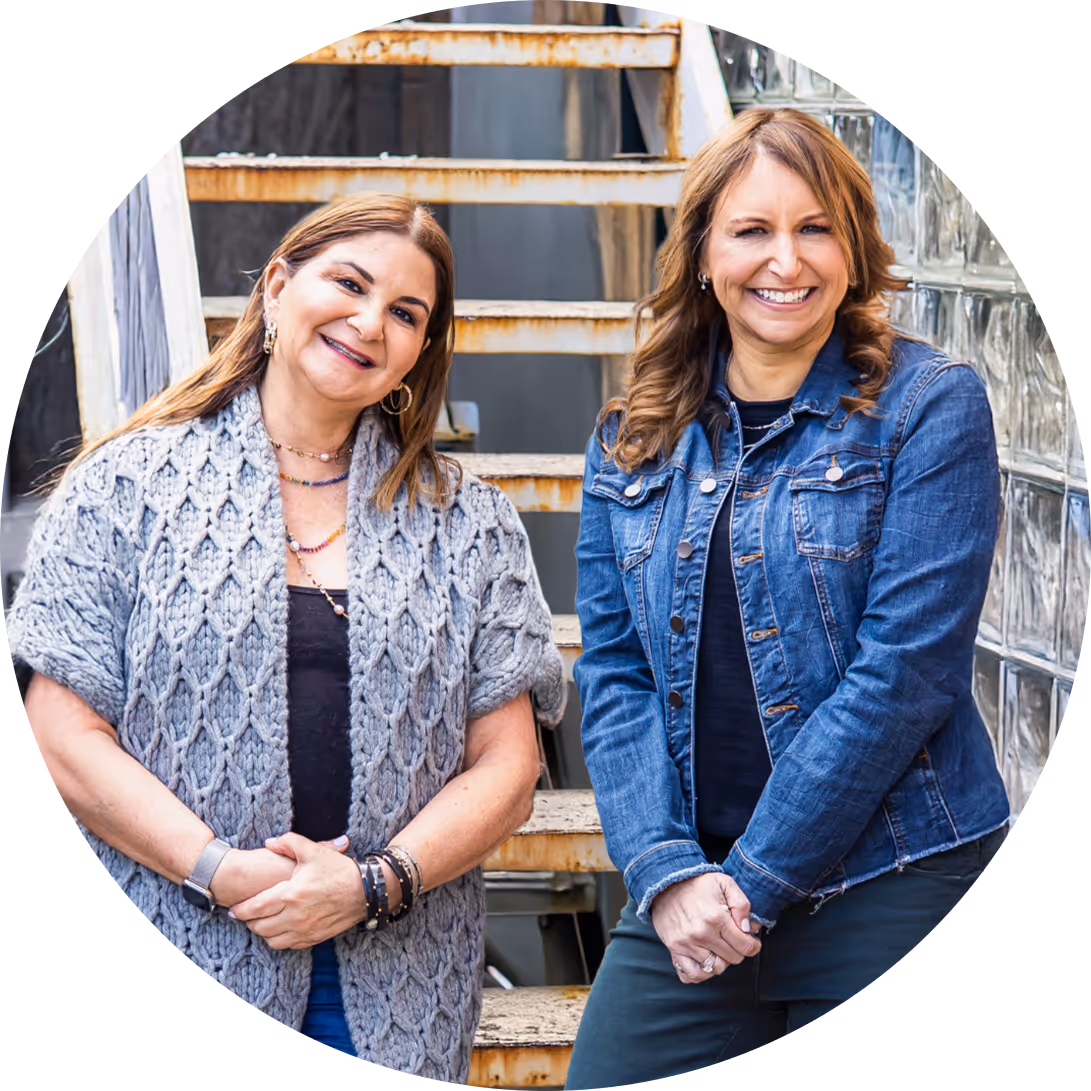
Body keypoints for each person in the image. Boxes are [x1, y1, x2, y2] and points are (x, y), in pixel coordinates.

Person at [7, 192, 565, 1083]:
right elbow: (60, 736)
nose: (370, 321)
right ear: (276, 285)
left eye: (406, 312)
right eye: (348, 282)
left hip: (398, 973)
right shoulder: (124, 485)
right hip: (172, 941)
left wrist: (371, 884)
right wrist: (220, 872)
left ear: (421, 350)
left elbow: (506, 768)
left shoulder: (471, 524)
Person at [564, 108, 1010, 1087]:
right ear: (699, 254)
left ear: (854, 251)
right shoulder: (629, 437)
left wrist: (750, 884)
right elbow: (612, 672)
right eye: (750, 230)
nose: (785, 259)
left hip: (889, 875)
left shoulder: (928, 407)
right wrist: (663, 870)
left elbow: (901, 676)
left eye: (814, 228)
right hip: (689, 886)